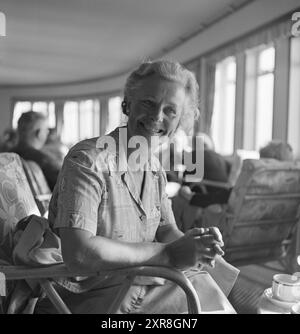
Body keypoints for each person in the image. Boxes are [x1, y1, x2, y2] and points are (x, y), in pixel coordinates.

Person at [40, 60, 238, 314]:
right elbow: (78, 253)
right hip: (89, 296)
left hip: (134, 282)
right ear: (127, 104)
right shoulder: (89, 159)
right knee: (199, 297)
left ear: (178, 122)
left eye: (170, 111)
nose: (157, 117)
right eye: (148, 103)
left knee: (209, 283)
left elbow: (167, 231)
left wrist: (198, 246)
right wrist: (167, 254)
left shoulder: (154, 169)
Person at [13, 111, 61, 191]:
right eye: (46, 130)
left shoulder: (5, 156)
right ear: (38, 133)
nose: (47, 133)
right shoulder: (44, 160)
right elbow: (67, 185)